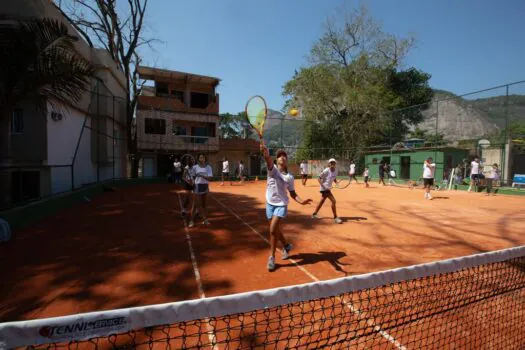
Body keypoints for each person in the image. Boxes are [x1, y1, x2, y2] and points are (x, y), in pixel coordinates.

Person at [261, 144, 312, 272]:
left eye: (284, 156)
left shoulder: (289, 177)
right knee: (276, 230)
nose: (282, 158)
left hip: (281, 204)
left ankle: (272, 257)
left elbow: (293, 193)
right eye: (279, 156)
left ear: (286, 161)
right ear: (276, 160)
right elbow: (268, 160)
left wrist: (302, 202)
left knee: (272, 229)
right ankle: (286, 245)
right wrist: (266, 154)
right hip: (269, 202)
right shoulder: (272, 170)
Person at [312, 159, 343, 224]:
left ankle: (314, 214)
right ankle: (335, 217)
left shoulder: (336, 171)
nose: (332, 164)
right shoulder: (326, 170)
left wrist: (336, 182)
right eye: (331, 163)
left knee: (322, 201)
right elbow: (319, 178)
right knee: (333, 201)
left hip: (328, 188)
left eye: (333, 163)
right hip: (324, 188)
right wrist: (324, 186)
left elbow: (334, 178)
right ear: (329, 164)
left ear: (335, 164)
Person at [189, 154, 213, 228]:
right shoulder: (195, 167)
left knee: (204, 204)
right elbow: (192, 177)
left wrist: (201, 175)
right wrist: (192, 182)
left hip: (205, 186)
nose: (202, 158)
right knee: (195, 204)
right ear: (198, 159)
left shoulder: (208, 167)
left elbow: (210, 178)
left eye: (203, 157)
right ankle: (191, 221)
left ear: (205, 159)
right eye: (200, 157)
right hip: (197, 186)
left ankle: (205, 220)